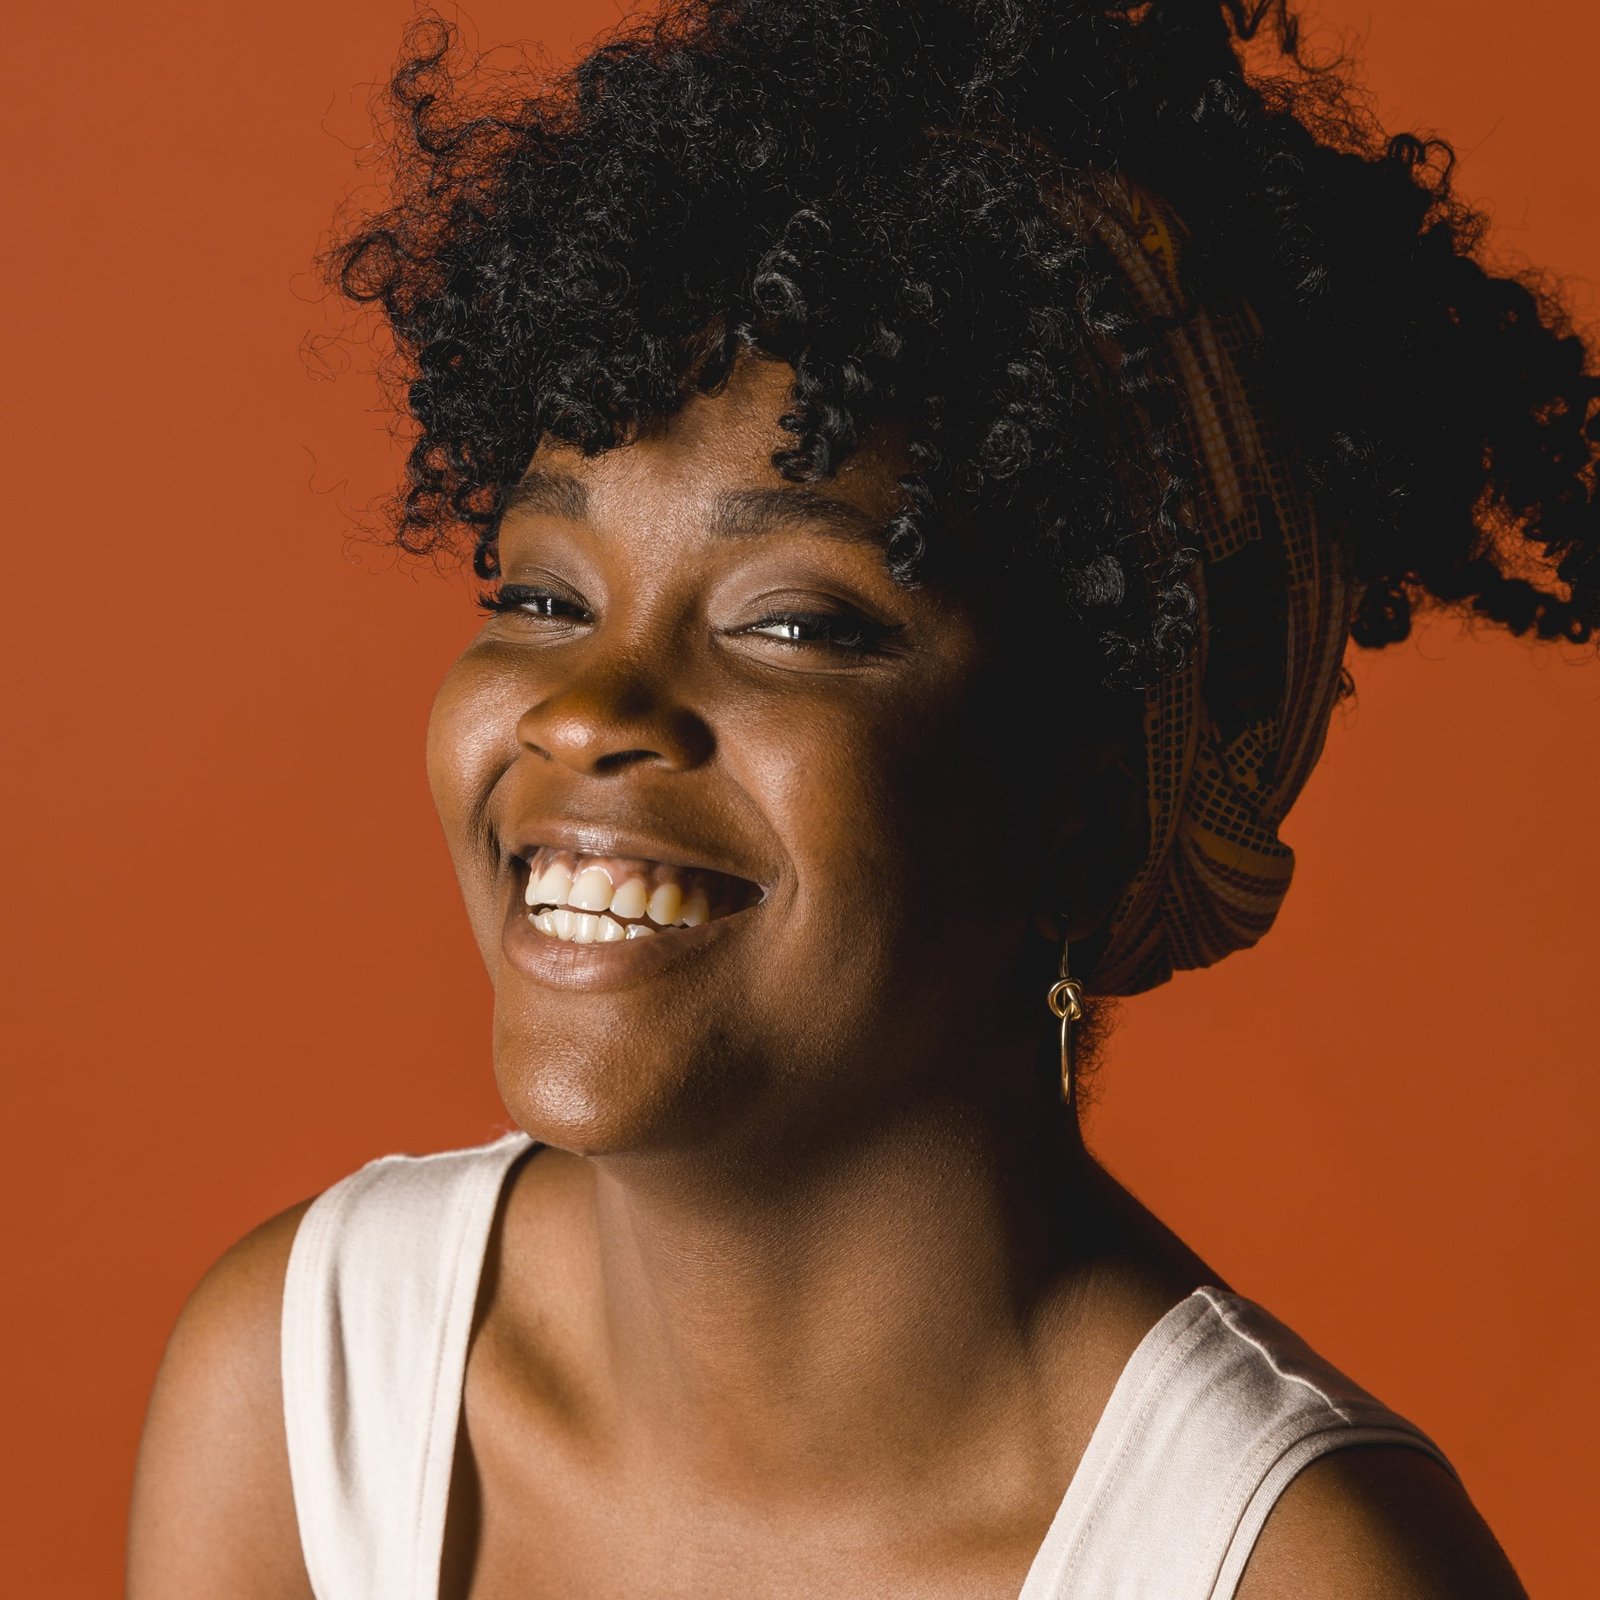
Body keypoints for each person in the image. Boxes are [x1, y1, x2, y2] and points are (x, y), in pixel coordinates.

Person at [127, 2, 1595, 1595]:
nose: (588, 709)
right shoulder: (299, 1385)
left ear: (1087, 816)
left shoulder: (1293, 1572)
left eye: (796, 623)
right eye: (542, 596)